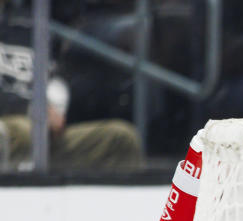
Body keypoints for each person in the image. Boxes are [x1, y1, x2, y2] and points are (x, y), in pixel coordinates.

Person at [0, 0, 140, 170]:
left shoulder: (32, 26)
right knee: (23, 131)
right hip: (13, 125)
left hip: (46, 135)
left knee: (121, 140)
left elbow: (61, 82)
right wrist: (31, 108)